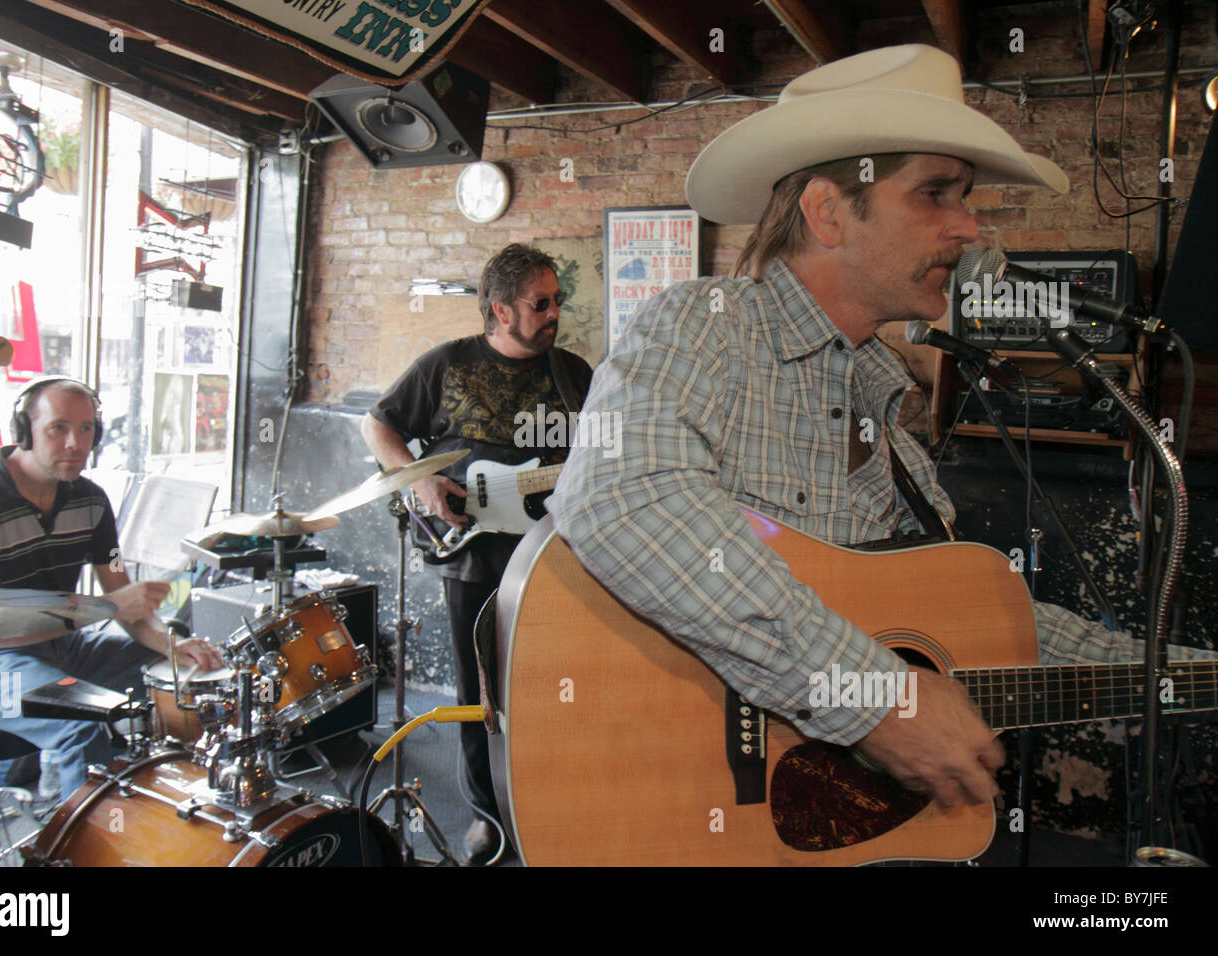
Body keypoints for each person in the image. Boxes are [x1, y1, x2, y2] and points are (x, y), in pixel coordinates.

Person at [549, 44, 1208, 812]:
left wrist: (1176, 669)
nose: (968, 229)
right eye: (937, 194)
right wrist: (875, 699)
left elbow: (979, 626)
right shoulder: (707, 327)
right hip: (671, 802)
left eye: (966, 198)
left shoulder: (884, 402)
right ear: (829, 211)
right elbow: (623, 498)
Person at [362, 243, 592, 862]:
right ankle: (487, 814)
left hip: (555, 554)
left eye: (557, 300)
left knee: (557, 683)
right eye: (539, 303)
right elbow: (377, 424)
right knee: (480, 693)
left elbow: (601, 453)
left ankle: (553, 800)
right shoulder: (447, 365)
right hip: (474, 552)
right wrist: (420, 479)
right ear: (500, 310)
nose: (553, 312)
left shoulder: (575, 374)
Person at [0, 378, 223, 799]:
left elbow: (119, 584)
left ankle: (172, 815)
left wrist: (170, 646)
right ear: (24, 431)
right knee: (81, 722)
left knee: (182, 681)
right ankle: (79, 846)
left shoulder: (91, 501)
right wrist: (105, 607)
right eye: (58, 428)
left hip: (61, 647)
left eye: (86, 429)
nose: (75, 443)